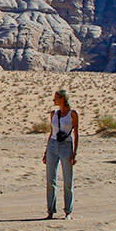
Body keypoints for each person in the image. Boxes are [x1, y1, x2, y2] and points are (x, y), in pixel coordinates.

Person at [42, 89, 78, 219]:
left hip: (66, 146)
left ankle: (68, 211)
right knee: (50, 180)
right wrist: (46, 152)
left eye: (56, 98)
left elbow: (76, 134)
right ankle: (50, 211)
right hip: (53, 146)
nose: (54, 100)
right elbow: (51, 132)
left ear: (63, 99)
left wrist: (75, 153)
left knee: (68, 180)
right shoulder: (53, 114)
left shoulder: (73, 114)